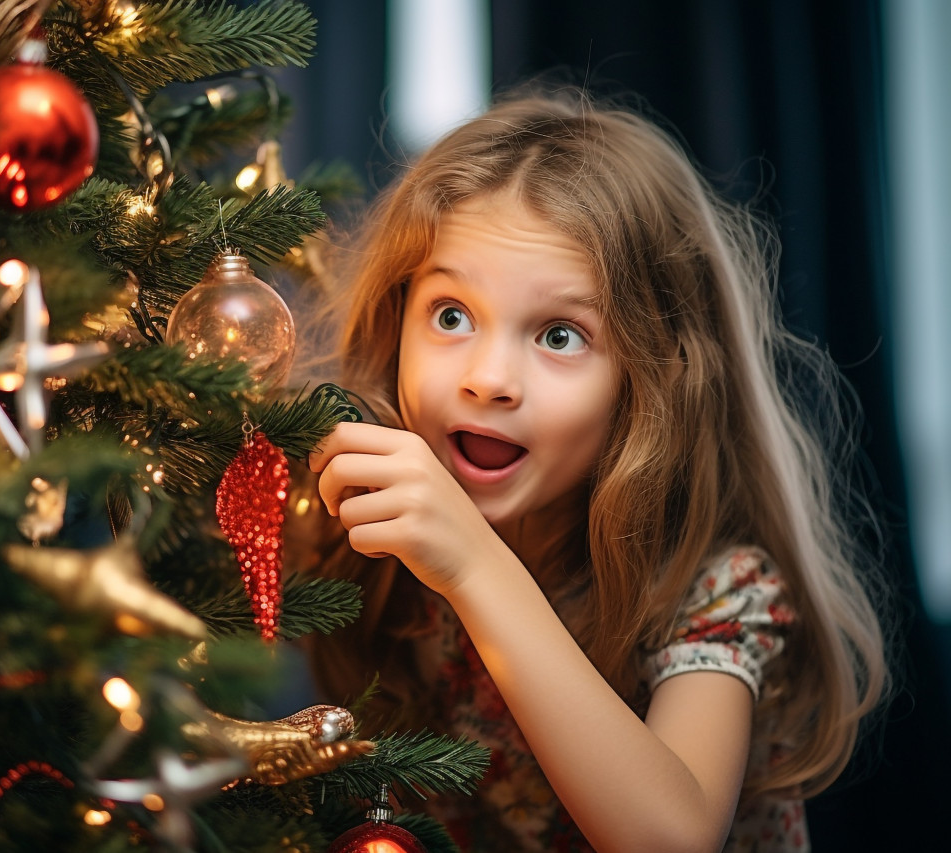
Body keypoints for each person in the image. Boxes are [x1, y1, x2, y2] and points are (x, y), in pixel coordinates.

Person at [301, 85, 889, 852]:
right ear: (396, 320)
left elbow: (670, 839)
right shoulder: (377, 538)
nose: (489, 377)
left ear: (653, 377)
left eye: (559, 335)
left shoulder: (716, 587)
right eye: (451, 315)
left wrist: (476, 569)